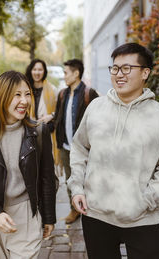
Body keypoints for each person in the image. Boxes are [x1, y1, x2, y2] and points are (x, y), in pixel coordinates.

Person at [68, 43, 159, 259]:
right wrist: (77, 187)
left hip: (141, 219)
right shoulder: (96, 108)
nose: (118, 74)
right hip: (96, 215)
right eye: (114, 68)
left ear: (145, 73)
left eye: (126, 68)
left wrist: (145, 201)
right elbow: (79, 148)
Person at [0, 71, 57, 258]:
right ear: (2, 96)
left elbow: (47, 178)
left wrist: (49, 217)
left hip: (26, 214)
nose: (24, 101)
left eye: (27, 94)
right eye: (17, 95)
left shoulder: (38, 131)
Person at [52, 59, 99, 224]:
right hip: (65, 146)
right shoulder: (62, 94)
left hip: (85, 148)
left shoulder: (89, 94)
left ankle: (93, 210)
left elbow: (98, 121)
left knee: (89, 179)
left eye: (66, 73)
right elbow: (58, 118)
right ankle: (74, 210)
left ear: (76, 73)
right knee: (70, 179)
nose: (64, 76)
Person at [25, 59, 61, 172]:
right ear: (30, 70)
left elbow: (60, 111)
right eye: (34, 69)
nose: (37, 72)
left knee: (47, 167)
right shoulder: (25, 89)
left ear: (44, 71)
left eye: (40, 69)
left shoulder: (53, 89)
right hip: (28, 133)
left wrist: (51, 115)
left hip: (46, 134)